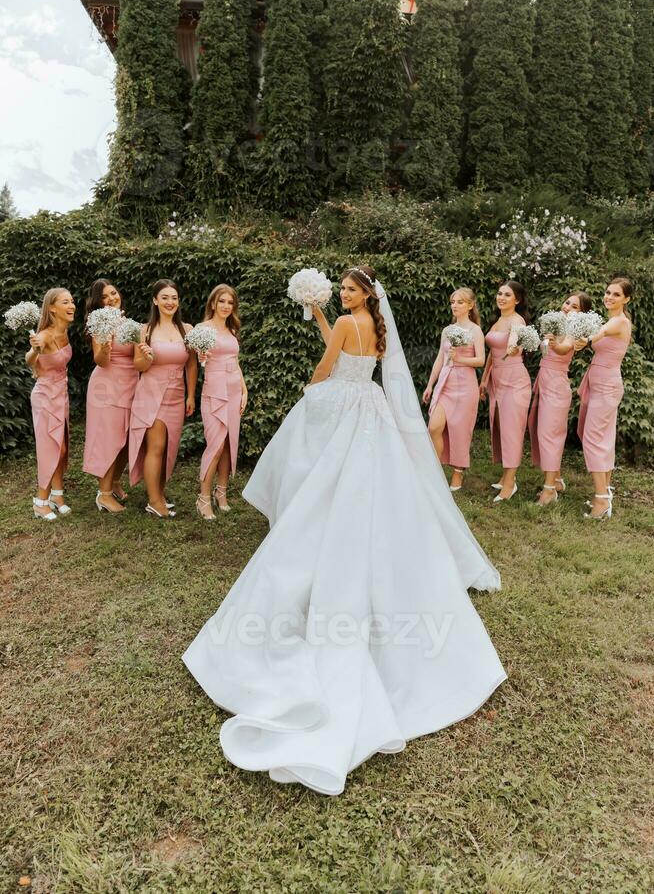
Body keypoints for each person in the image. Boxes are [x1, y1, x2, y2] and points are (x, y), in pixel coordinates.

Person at [183, 266, 506, 796]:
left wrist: (313, 388)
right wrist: (319, 315)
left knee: (320, 478)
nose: (345, 295)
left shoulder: (346, 327)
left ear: (361, 294)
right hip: (372, 410)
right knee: (375, 488)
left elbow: (326, 368)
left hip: (343, 407)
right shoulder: (374, 327)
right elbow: (351, 346)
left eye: (350, 290)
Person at [129, 280, 197, 518]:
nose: (170, 302)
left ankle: (159, 492)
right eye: (165, 297)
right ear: (155, 300)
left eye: (174, 298)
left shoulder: (186, 330)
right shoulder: (144, 330)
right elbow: (138, 365)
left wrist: (191, 395)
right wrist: (146, 358)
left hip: (177, 395)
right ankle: (154, 500)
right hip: (151, 394)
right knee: (155, 446)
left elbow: (191, 363)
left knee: (170, 446)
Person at [528, 292, 591, 506]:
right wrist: (546, 340)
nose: (567, 308)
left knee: (550, 434)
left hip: (556, 385)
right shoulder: (555, 324)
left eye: (574, 307)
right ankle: (556, 480)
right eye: (567, 303)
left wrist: (554, 343)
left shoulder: (574, 329)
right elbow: (545, 351)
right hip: (544, 380)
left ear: (581, 313)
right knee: (544, 432)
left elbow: (565, 348)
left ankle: (549, 491)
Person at [577, 277, 633, 520]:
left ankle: (601, 499)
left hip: (607, 387)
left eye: (616, 294)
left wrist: (588, 340)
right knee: (604, 439)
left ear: (626, 299)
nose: (609, 297)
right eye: (608, 292)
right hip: (600, 383)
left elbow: (602, 333)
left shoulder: (619, 322)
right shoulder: (612, 319)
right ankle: (604, 493)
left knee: (592, 438)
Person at [83, 279, 138, 514]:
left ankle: (114, 481)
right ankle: (103, 495)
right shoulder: (100, 323)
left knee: (126, 440)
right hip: (106, 387)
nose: (112, 299)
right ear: (98, 303)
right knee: (109, 440)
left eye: (113, 293)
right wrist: (105, 343)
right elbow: (101, 360)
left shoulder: (129, 322)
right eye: (105, 297)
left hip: (131, 385)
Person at [423, 288, 485, 492]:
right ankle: (436, 470)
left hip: (466, 385)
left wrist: (460, 359)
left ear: (470, 305)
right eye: (452, 301)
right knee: (434, 427)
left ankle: (458, 473)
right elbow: (440, 359)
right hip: (445, 383)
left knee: (460, 431)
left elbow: (481, 360)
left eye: (460, 302)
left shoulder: (475, 330)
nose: (455, 305)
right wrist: (430, 385)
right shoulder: (447, 330)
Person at [196, 285, 248, 520]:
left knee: (229, 443)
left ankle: (221, 492)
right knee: (215, 444)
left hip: (235, 389)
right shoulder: (202, 329)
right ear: (213, 303)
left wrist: (244, 389)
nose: (226, 306)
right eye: (222, 301)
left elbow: (236, 361)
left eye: (230, 303)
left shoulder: (232, 330)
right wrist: (202, 357)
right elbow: (199, 359)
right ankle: (203, 498)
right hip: (214, 391)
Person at [25, 288, 75, 520]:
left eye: (72, 301)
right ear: (52, 308)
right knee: (50, 448)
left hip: (60, 395)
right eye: (66, 302)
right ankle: (40, 500)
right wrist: (35, 351)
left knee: (62, 446)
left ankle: (57, 495)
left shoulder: (64, 332)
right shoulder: (44, 335)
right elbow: (29, 359)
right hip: (45, 397)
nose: (72, 305)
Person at [480, 281, 532, 502]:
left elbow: (514, 344)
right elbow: (492, 353)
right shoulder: (498, 320)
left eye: (507, 295)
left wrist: (515, 347)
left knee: (512, 431)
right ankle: (505, 475)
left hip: (514, 381)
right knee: (501, 427)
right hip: (497, 380)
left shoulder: (517, 321)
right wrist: (484, 380)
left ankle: (510, 483)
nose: (501, 297)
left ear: (517, 300)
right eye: (499, 293)